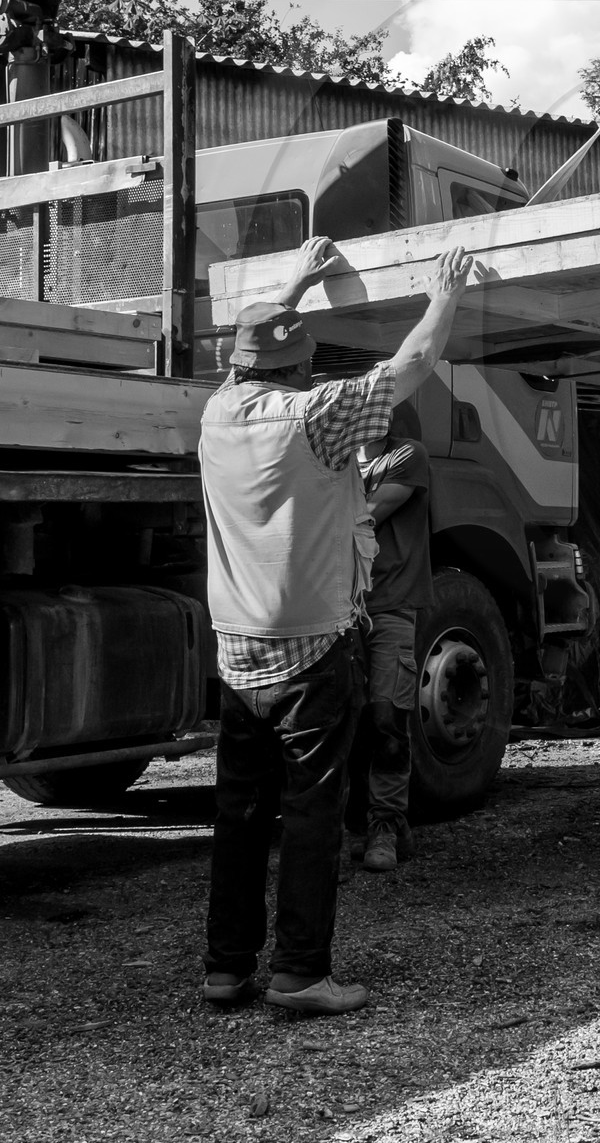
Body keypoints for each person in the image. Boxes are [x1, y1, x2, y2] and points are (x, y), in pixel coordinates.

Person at [198, 235, 472, 1015]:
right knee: (312, 813)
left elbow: (246, 360)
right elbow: (412, 364)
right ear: (297, 370)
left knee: (239, 814)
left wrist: (292, 286)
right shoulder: (311, 417)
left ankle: (226, 969)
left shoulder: (219, 414)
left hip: (237, 651)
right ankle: (300, 974)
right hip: (312, 652)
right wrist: (445, 294)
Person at [349, 399, 433, 873]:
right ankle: (366, 824)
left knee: (387, 717)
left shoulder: (406, 455)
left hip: (390, 604)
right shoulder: (337, 462)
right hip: (341, 607)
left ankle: (384, 824)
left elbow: (364, 517)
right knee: (347, 721)